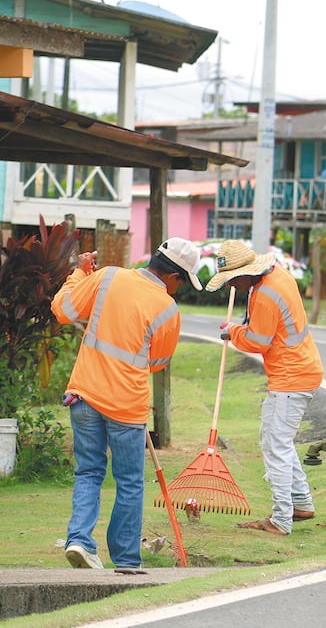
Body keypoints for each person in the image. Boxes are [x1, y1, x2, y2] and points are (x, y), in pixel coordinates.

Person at [51, 238, 203, 571]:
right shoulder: (167, 309)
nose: (178, 289)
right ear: (173, 276)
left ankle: (79, 540)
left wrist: (79, 275)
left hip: (85, 394)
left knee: (89, 472)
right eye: (181, 282)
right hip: (127, 405)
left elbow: (64, 310)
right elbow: (158, 361)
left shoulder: (107, 277)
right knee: (130, 482)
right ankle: (125, 560)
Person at [205, 240, 324, 536]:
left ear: (247, 271)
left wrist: (232, 332)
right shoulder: (277, 276)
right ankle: (300, 503)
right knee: (275, 440)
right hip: (296, 371)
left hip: (291, 376)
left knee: (276, 445)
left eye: (233, 279)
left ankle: (282, 519)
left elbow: (259, 342)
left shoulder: (266, 294)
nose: (233, 285)